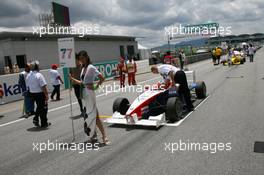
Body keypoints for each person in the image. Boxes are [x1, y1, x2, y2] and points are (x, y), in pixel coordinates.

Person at [69, 50, 109, 144]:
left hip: (90, 94)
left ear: (86, 57)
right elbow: (83, 83)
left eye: (82, 58)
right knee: (89, 116)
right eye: (80, 59)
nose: (81, 60)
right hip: (84, 95)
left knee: (95, 115)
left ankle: (104, 136)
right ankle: (93, 135)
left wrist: (95, 86)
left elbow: (102, 78)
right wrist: (72, 79)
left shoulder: (91, 67)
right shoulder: (83, 69)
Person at [26, 61, 50, 127]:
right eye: (38, 66)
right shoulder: (39, 75)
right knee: (44, 108)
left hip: (32, 93)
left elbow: (27, 85)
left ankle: (36, 119)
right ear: (36, 67)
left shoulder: (28, 75)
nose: (39, 67)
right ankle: (44, 123)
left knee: (39, 106)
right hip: (40, 94)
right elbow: (43, 86)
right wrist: (46, 95)